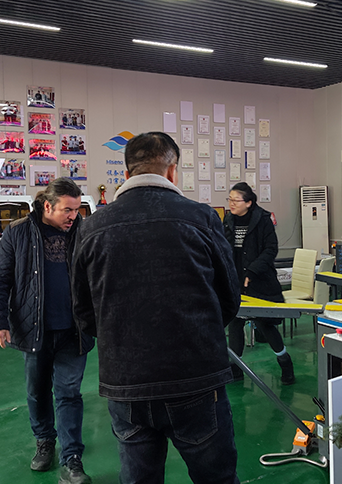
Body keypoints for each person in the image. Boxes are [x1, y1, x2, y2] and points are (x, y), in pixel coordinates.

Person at [72, 131, 241, 484]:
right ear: (172, 170)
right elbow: (229, 298)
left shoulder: (92, 226)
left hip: (126, 381)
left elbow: (84, 311)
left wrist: (121, 340)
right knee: (216, 478)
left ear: (127, 172)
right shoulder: (201, 217)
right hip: (195, 376)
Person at [0, 177, 94, 484]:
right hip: (34, 329)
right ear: (47, 206)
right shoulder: (18, 232)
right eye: (67, 210)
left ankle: (72, 459)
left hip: (74, 330)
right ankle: (45, 440)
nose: (73, 216)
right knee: (37, 391)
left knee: (69, 393)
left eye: (77, 209)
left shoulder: (84, 232)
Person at [223, 182, 295, 385]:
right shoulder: (228, 220)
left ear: (248, 202)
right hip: (236, 280)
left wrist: (253, 271)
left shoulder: (263, 220)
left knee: (265, 325)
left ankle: (285, 362)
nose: (231, 204)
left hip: (260, 281)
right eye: (229, 199)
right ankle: (235, 368)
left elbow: (271, 249)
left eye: (236, 200)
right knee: (235, 323)